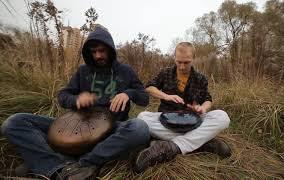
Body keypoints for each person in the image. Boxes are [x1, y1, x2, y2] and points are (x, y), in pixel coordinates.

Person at [1, 24, 150, 179]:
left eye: (102, 51)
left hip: (111, 127)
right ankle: (57, 166)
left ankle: (80, 163)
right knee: (14, 122)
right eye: (93, 52)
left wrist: (128, 93)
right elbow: (63, 96)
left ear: (110, 49)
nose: (98, 56)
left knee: (140, 128)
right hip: (74, 124)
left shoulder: (126, 71)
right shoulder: (83, 71)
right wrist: (76, 99)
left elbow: (144, 98)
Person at [134, 42, 231, 173]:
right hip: (166, 121)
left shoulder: (200, 79)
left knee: (222, 116)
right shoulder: (165, 73)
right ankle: (202, 143)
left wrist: (202, 108)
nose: (182, 66)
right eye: (179, 62)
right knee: (142, 117)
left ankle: (172, 146)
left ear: (193, 59)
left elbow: (208, 100)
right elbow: (149, 87)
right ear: (174, 57)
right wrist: (165, 96)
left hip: (192, 122)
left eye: (186, 62)